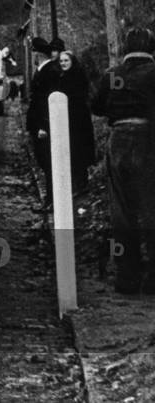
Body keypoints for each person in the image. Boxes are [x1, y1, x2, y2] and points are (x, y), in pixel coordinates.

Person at [91, 28, 155, 293]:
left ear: (126, 48)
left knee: (122, 211)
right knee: (151, 207)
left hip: (118, 139)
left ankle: (127, 278)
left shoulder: (113, 74)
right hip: (148, 140)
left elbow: (95, 105)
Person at [26, 36, 65, 207]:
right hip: (39, 125)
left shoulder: (50, 72)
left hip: (44, 127)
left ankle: (51, 200)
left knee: (48, 163)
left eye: (33, 52)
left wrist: (44, 125)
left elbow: (47, 101)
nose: (32, 56)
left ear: (38, 54)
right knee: (44, 162)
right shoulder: (44, 70)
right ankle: (50, 200)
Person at [53, 50, 97, 194]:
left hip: (78, 119)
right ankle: (74, 183)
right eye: (61, 61)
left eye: (66, 61)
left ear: (72, 61)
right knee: (69, 150)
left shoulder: (78, 75)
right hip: (66, 118)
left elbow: (80, 95)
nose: (63, 63)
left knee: (78, 150)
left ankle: (81, 184)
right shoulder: (62, 76)